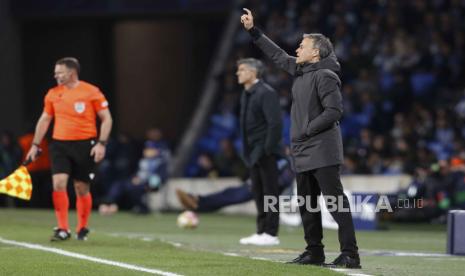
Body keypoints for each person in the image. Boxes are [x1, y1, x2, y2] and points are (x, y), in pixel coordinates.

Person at [241, 9, 360, 268]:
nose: (297, 48)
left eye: (302, 46)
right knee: (307, 204)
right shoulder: (302, 71)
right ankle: (314, 251)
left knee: (335, 203)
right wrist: (254, 31)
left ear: (315, 53)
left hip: (323, 149)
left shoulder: (326, 75)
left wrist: (306, 130)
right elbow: (277, 55)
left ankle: (350, 254)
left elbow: (334, 111)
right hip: (303, 149)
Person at [25, 57, 113, 241]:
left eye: (60, 72)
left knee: (81, 187)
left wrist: (101, 143)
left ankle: (82, 227)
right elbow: (45, 119)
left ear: (71, 73)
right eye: (56, 72)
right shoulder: (52, 94)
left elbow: (107, 118)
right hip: (59, 145)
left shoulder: (91, 92)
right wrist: (35, 145)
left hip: (84, 144)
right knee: (58, 183)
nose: (56, 75)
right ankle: (63, 229)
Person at [236, 58, 283, 246]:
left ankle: (271, 233)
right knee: (258, 191)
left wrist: (267, 149)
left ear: (253, 73)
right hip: (253, 152)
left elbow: (275, 124)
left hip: (265, 151)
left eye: (241, 70)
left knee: (270, 192)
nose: (238, 73)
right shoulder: (246, 93)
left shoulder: (266, 93)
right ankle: (261, 230)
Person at [176, 158, 293, 213]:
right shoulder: (286, 160)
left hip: (274, 187)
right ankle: (199, 204)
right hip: (270, 185)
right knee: (232, 194)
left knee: (235, 195)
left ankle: (198, 202)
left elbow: (286, 178)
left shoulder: (288, 162)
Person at [98, 140, 169, 215]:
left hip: (151, 184)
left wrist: (148, 183)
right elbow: (136, 173)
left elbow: (160, 177)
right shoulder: (143, 161)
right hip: (139, 181)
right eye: (146, 149)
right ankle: (109, 203)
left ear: (157, 151)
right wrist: (135, 178)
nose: (146, 151)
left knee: (134, 188)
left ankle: (143, 208)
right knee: (119, 185)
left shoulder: (160, 163)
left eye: (150, 149)